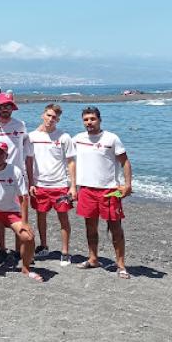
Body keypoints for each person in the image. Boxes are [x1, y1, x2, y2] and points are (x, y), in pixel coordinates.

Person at [73, 106, 133, 279]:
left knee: (115, 228)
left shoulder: (111, 138)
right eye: (86, 119)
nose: (89, 122)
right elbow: (60, 151)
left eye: (92, 119)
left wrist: (127, 185)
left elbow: (125, 162)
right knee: (90, 227)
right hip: (86, 189)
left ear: (99, 120)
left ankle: (120, 264)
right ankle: (93, 258)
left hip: (109, 190)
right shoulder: (77, 138)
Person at [0, 142, 42, 282]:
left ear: (6, 155)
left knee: (28, 237)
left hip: (11, 211)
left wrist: (25, 222)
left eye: (1, 153)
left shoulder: (15, 171)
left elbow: (23, 197)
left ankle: (26, 268)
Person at [0, 90, 33, 262]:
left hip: (17, 176)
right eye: (2, 106)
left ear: (12, 108)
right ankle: (2, 248)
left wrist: (30, 178)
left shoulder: (20, 125)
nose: (5, 109)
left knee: (18, 214)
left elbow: (27, 149)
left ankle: (19, 250)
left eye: (8, 106)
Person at [27, 104, 77, 266]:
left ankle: (65, 252)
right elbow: (29, 160)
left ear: (58, 119)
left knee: (63, 218)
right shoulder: (32, 136)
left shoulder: (64, 137)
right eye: (48, 115)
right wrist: (31, 182)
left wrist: (73, 186)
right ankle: (43, 246)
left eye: (54, 117)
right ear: (43, 115)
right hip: (40, 185)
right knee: (41, 216)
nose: (51, 119)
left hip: (60, 185)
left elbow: (71, 162)